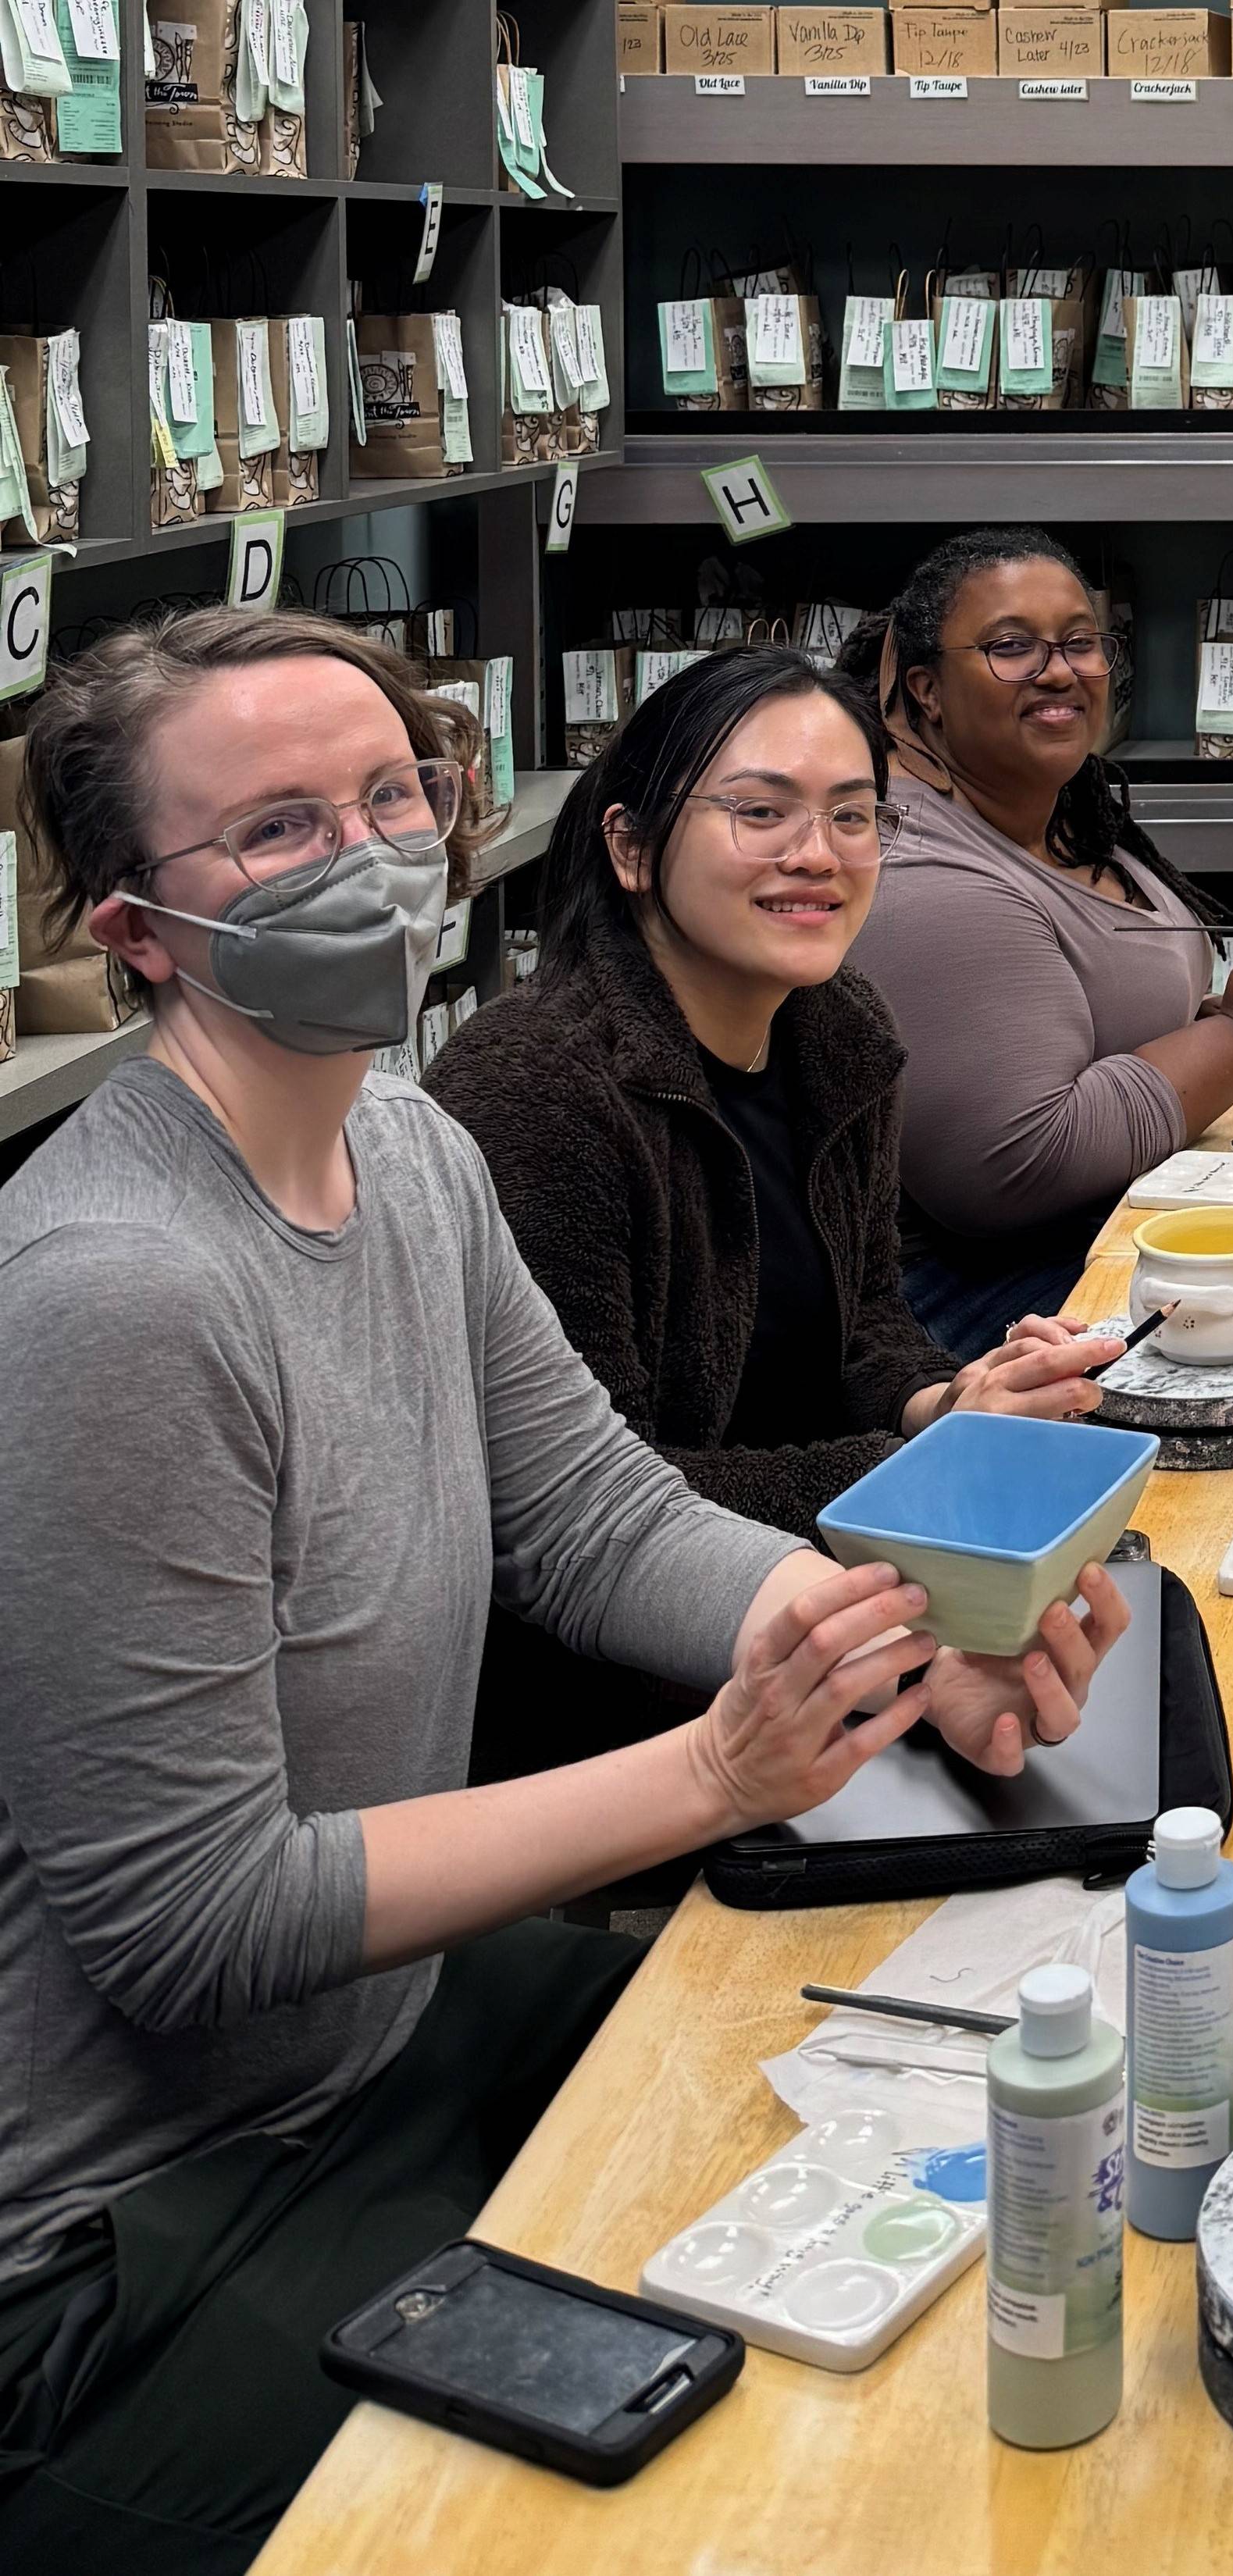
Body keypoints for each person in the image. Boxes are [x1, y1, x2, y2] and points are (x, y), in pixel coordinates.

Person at [0, 609, 1120, 2571]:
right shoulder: (120, 1294)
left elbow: (595, 1515)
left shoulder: (409, 1148)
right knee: (717, 2485)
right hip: (132, 2236)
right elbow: (196, 1916)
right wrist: (716, 1774)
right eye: (275, 830)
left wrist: (906, 1640)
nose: (368, 858)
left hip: (395, 2035)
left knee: (940, 2147)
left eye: (390, 796)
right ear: (134, 930)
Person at [429, 647, 1111, 1790]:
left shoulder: (834, 1024)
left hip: (845, 1622)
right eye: (761, 812)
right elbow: (588, 1508)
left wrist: (948, 1397)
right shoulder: (534, 1093)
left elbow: (866, 1317)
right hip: (632, 1720)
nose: (818, 854)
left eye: (853, 815)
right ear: (630, 846)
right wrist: (914, 1466)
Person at [842, 527, 1233, 1358]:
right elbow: (1018, 1162)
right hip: (991, 1304)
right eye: (1011, 647)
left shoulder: (1053, 813)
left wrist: (1218, 1033)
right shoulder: (916, 866)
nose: (1059, 670)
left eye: (1080, 641)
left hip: (1120, 1219)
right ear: (926, 689)